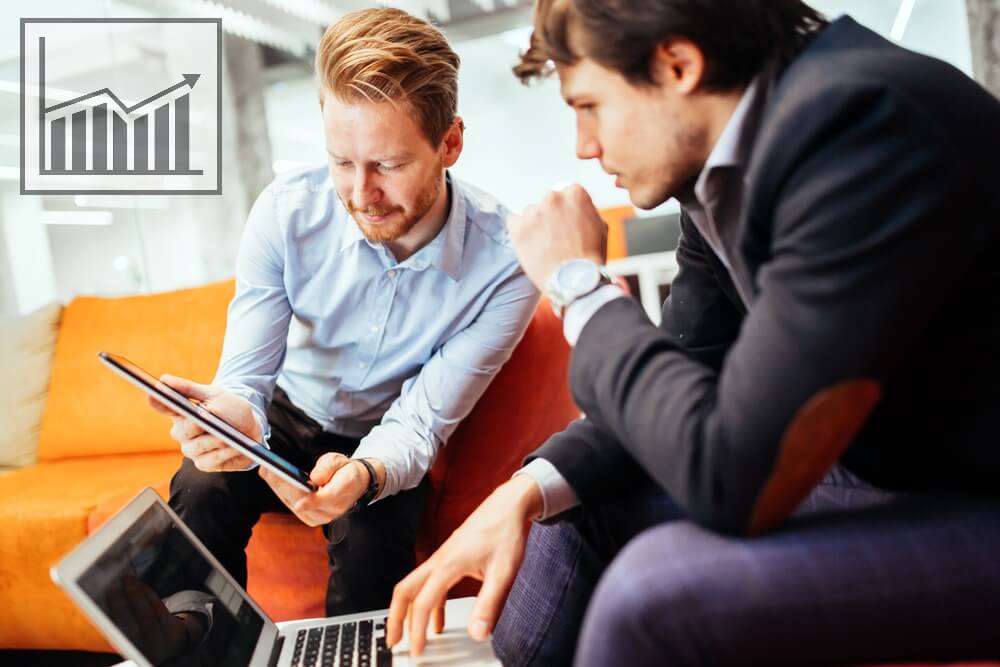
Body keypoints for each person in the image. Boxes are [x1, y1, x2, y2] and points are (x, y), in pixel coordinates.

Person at [386, 1, 1000, 664]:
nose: (583, 146)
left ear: (677, 65)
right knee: (566, 510)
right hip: (889, 466)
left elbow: (735, 477)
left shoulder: (865, 126)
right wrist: (525, 490)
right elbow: (688, 356)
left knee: (654, 593)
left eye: (589, 105)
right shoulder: (731, 162)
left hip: (972, 495)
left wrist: (578, 286)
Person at [154, 7, 538, 617]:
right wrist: (235, 417)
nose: (361, 195)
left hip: (380, 436)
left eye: (387, 164)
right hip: (281, 416)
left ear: (451, 144)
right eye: (341, 162)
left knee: (372, 558)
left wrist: (365, 473)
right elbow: (245, 380)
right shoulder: (285, 213)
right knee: (198, 490)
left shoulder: (507, 264)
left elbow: (420, 424)